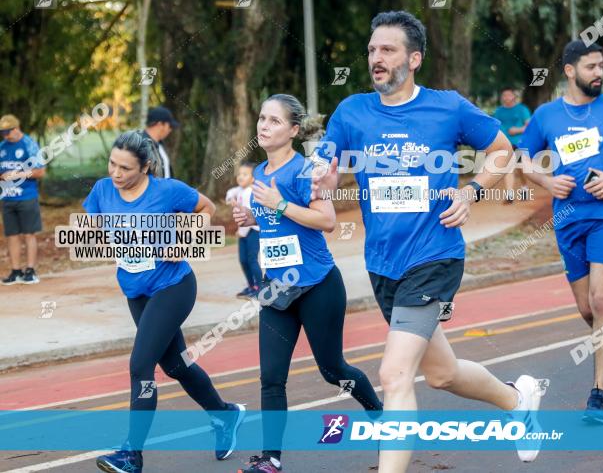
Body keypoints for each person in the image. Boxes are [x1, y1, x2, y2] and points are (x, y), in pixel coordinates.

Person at [311, 10, 545, 472]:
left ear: (414, 58)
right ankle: (519, 400)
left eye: (388, 50)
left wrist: (471, 190)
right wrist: (320, 176)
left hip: (434, 255)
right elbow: (326, 164)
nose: (377, 58)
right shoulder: (351, 112)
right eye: (373, 50)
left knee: (395, 374)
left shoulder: (448, 108)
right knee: (441, 373)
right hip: (383, 263)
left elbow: (501, 151)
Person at [232, 95, 383, 473]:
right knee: (270, 378)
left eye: (274, 121)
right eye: (261, 118)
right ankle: (271, 459)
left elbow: (326, 221)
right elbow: (277, 221)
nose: (263, 126)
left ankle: (380, 416)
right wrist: (253, 212)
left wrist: (279, 204)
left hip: (317, 285)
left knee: (333, 370)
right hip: (277, 290)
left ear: (294, 131)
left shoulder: (305, 171)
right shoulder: (262, 173)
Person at [83, 131, 245, 473]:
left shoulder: (166, 191)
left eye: (125, 168)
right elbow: (95, 225)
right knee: (175, 365)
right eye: (112, 163)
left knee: (141, 365)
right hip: (136, 291)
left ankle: (131, 454)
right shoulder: (102, 190)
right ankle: (225, 415)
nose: (115, 173)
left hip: (173, 286)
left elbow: (207, 207)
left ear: (145, 167)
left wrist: (186, 240)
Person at [519, 41, 603, 424]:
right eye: (591, 66)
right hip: (568, 218)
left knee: (602, 301)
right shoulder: (545, 116)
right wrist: (547, 182)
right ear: (570, 71)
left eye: (601, 66)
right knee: (587, 309)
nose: (599, 72)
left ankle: (597, 394)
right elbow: (523, 159)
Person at [0, 114, 45, 285]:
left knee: (29, 234)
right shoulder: (2, 147)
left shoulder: (29, 144)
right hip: (8, 198)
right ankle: (15, 270)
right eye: (2, 133)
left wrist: (17, 174)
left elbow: (40, 171)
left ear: (16, 129)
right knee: (12, 235)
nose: (5, 136)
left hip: (27, 197)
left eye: (7, 132)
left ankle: (30, 270)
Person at [225, 162, 262, 298]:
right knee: (243, 260)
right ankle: (251, 286)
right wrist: (231, 199)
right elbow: (231, 193)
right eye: (239, 174)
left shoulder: (251, 192)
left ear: (253, 178)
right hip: (243, 231)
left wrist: (241, 232)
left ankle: (260, 288)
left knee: (252, 259)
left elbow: (247, 216)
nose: (240, 177)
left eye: (245, 174)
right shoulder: (241, 190)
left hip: (253, 230)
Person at [492, 88, 531, 203]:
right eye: (504, 95)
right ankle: (509, 194)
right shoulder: (498, 111)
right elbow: (494, 126)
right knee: (507, 167)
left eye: (509, 95)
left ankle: (524, 187)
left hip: (520, 142)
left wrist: (518, 130)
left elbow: (529, 126)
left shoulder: (522, 109)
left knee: (521, 168)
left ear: (514, 97)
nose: (506, 97)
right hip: (505, 144)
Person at [140, 106, 178, 179]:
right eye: (169, 126)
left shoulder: (160, 145)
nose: (170, 130)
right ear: (160, 125)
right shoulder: (140, 145)